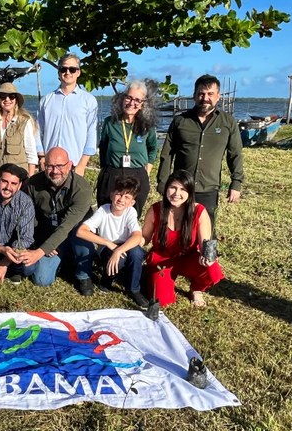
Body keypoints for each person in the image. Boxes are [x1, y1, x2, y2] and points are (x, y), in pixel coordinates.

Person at [156, 74, 244, 230]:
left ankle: (207, 255)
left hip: (208, 188)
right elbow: (167, 154)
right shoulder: (180, 121)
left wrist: (236, 183)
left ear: (218, 96)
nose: (205, 98)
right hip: (181, 187)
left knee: (206, 229)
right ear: (194, 95)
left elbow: (235, 155)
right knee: (177, 227)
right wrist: (163, 182)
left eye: (210, 94)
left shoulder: (228, 122)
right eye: (201, 94)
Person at [141, 170, 224, 307]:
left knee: (213, 270)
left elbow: (205, 243)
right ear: (166, 188)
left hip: (188, 258)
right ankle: (151, 276)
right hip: (162, 259)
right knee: (163, 301)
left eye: (183, 189)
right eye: (173, 187)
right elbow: (145, 237)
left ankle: (196, 289)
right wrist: (131, 242)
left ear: (190, 193)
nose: (176, 194)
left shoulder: (199, 211)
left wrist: (208, 256)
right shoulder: (156, 209)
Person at [19, 147, 95, 295]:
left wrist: (40, 252)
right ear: (43, 165)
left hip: (74, 233)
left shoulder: (82, 189)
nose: (55, 171)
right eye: (50, 166)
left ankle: (83, 274)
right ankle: (63, 261)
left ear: (69, 165)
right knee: (41, 280)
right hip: (46, 234)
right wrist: (41, 243)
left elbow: (67, 226)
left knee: (82, 243)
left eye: (60, 166)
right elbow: (27, 217)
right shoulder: (33, 184)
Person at [77, 177, 147, 307]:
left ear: (132, 202)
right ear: (111, 195)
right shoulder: (103, 210)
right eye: (119, 194)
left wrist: (119, 250)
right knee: (119, 259)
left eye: (127, 197)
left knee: (137, 252)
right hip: (106, 247)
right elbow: (81, 231)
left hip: (123, 246)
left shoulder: (131, 212)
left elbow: (137, 236)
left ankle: (133, 289)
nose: (121, 200)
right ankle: (106, 280)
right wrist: (107, 243)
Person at [97, 79, 159, 214]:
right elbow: (103, 146)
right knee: (106, 214)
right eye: (128, 97)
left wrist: (147, 170)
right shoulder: (110, 122)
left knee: (132, 216)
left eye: (137, 100)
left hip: (137, 174)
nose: (132, 103)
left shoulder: (147, 126)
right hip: (113, 173)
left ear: (143, 104)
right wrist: (105, 170)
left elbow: (153, 148)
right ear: (122, 98)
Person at [37, 53, 98, 176]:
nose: (68, 72)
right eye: (63, 69)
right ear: (59, 72)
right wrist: (42, 158)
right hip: (49, 166)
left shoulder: (88, 100)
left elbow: (92, 134)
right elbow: (38, 131)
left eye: (72, 69)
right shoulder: (46, 100)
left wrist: (82, 165)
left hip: (74, 165)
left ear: (78, 72)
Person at [0, 82, 39, 192]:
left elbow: (31, 154)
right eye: (3, 96)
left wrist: (29, 180)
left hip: (16, 180)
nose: (7, 99)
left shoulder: (25, 122)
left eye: (11, 96)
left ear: (16, 99)